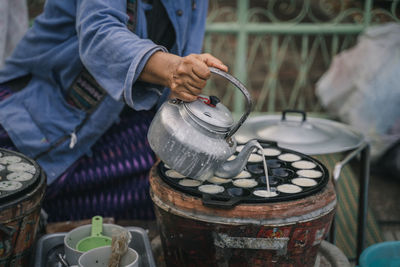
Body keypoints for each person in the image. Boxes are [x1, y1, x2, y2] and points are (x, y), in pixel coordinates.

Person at [0, 0, 228, 222]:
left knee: (171, 181)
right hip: (39, 114)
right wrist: (173, 69)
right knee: (26, 212)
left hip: (118, 118)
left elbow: (186, 52)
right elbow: (100, 33)